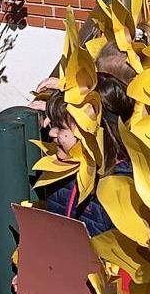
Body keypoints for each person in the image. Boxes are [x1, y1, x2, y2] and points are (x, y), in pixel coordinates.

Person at [42, 73, 135, 236]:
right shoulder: (62, 168)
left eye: (60, 127)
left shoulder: (122, 185)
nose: (52, 133)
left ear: (91, 133)